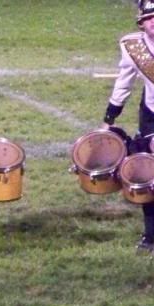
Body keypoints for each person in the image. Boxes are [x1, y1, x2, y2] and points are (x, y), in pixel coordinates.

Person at [102, 0, 154, 253]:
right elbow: (124, 83)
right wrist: (109, 119)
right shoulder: (133, 47)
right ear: (141, 23)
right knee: (148, 171)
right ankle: (151, 235)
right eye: (149, 18)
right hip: (152, 113)